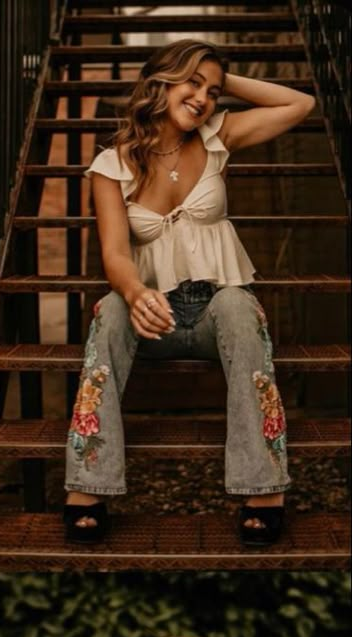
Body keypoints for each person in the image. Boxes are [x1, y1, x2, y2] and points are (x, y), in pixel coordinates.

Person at [63, 40, 315, 546]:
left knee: (241, 307)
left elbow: (300, 104)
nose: (202, 97)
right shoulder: (112, 165)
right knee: (110, 311)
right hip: (151, 316)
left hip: (214, 312)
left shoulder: (219, 137)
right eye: (191, 82)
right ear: (160, 80)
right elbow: (114, 253)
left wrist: (224, 79)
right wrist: (135, 294)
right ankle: (88, 487)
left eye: (212, 91)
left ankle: (262, 490)